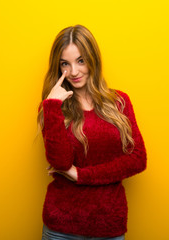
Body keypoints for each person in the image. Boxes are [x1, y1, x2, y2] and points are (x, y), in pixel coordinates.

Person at [36, 24, 147, 240]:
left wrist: (81, 175)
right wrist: (51, 106)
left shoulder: (119, 102)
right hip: (61, 229)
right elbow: (60, 163)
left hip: (108, 227)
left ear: (92, 60)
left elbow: (138, 159)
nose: (74, 72)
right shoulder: (51, 108)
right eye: (65, 64)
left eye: (81, 60)